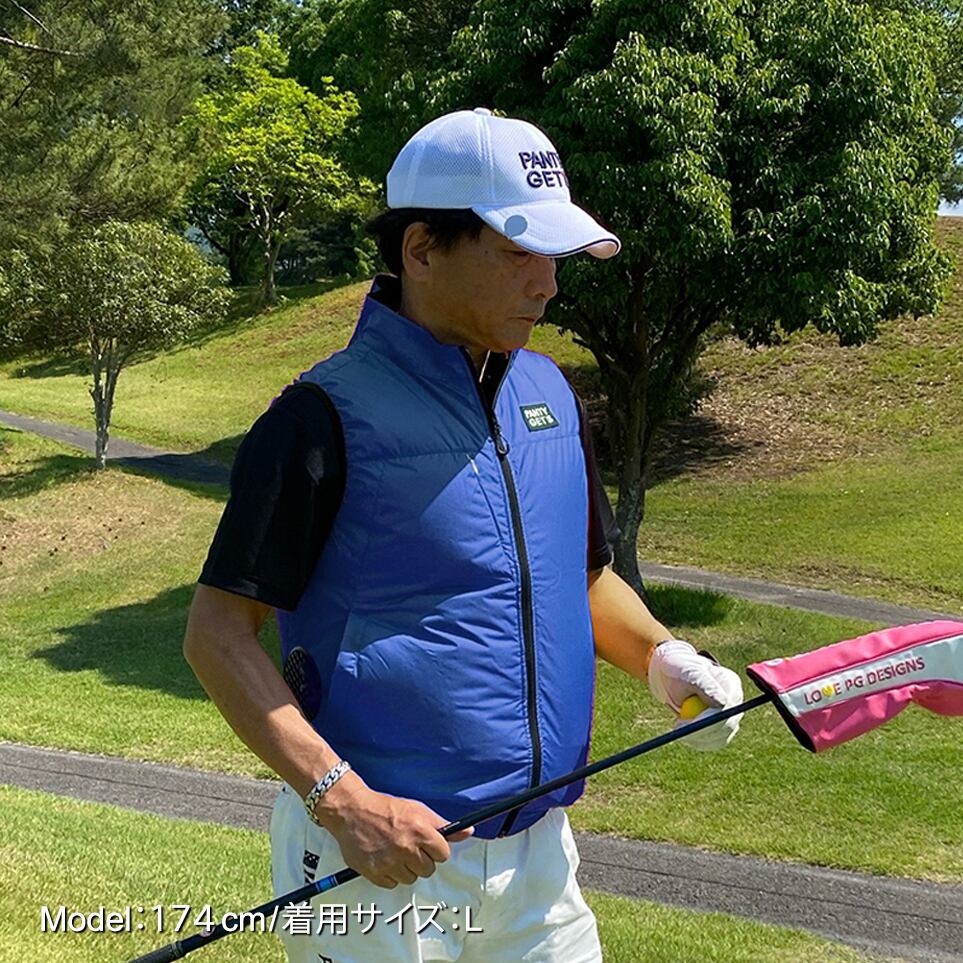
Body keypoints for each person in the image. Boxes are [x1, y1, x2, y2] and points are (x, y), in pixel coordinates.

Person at [184, 107, 744, 963]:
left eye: (553, 256)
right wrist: (343, 801)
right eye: (519, 252)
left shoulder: (551, 396)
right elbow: (217, 634)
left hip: (539, 860)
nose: (547, 284)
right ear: (421, 249)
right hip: (376, 859)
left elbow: (582, 577)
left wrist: (665, 658)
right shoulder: (318, 416)